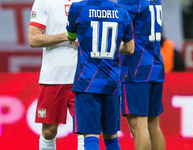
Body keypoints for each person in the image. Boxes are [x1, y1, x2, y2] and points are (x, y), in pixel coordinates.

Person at [66, 0, 135, 149]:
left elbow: (71, 36)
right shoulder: (122, 11)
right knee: (111, 136)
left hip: (87, 81)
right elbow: (130, 48)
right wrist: (112, 47)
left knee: (91, 135)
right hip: (112, 82)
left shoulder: (78, 8)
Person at [28, 0, 84, 149]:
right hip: (53, 76)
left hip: (82, 77)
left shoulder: (87, 1)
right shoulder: (43, 2)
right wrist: (66, 36)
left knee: (85, 131)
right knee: (48, 131)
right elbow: (33, 39)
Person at [118, 0, 166, 150]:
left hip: (136, 67)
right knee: (153, 125)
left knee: (139, 127)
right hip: (155, 64)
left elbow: (116, 28)